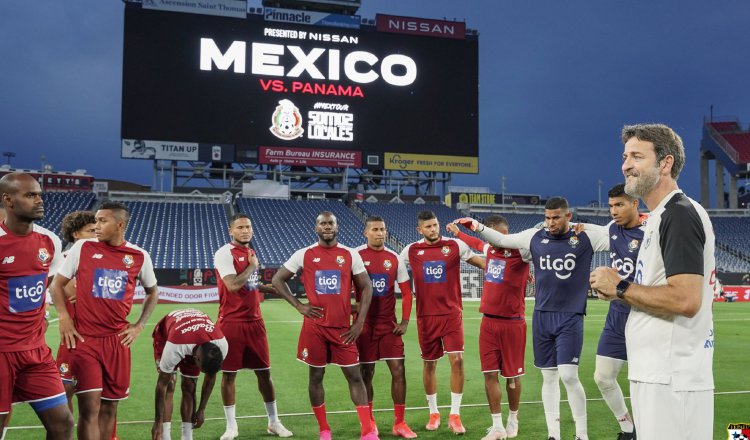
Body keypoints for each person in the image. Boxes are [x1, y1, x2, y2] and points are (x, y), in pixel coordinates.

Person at [590, 123, 715, 440]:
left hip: (673, 380)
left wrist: (620, 287)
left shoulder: (679, 214)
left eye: (637, 156)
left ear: (666, 163)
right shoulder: (659, 217)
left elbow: (686, 300)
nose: (626, 165)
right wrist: (620, 293)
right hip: (656, 375)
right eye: (624, 156)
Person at [456, 197, 608, 440]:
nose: (550, 222)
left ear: (568, 217)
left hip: (570, 315)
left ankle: (581, 435)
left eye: (556, 217)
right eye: (547, 218)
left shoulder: (584, 238)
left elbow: (615, 235)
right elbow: (502, 240)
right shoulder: (534, 237)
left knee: (569, 376)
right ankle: (553, 435)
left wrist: (587, 226)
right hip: (542, 316)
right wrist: (475, 225)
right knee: (548, 377)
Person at [49, 201, 160, 440]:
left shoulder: (139, 256)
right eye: (95, 221)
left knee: (110, 407)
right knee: (90, 407)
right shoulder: (83, 248)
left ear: (119, 225)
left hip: (118, 343)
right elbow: (56, 284)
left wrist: (139, 325)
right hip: (85, 340)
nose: (96, 226)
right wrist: (64, 316)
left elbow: (153, 291)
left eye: (102, 221)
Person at [271, 211, 378, 440]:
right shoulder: (304, 254)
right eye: (322, 223)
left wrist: (359, 323)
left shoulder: (350, 254)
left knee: (355, 376)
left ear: (337, 227)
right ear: (316, 228)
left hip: (343, 329)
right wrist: (299, 306)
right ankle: (324, 429)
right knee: (316, 377)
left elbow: (367, 287)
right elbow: (277, 280)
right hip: (315, 329)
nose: (327, 227)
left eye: (330, 223)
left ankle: (367, 431)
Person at [0, 172, 73, 440]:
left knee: (63, 425)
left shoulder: (49, 241)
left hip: (35, 353)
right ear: (8, 200)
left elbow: (49, 283)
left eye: (39, 194)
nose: (40, 200)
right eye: (30, 195)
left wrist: (43, 310)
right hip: (1, 352)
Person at [399, 210, 484, 435]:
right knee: (430, 364)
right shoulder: (411, 250)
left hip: (451, 315)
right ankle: (434, 413)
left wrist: (513, 269)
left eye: (435, 225)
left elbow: (482, 263)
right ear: (420, 230)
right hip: (426, 317)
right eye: (428, 227)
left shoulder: (455, 246)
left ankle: (455, 415)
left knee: (457, 361)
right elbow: (393, 271)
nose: (433, 229)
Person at [446, 215, 531, 440]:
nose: (501, 240)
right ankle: (497, 426)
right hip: (489, 323)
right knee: (489, 374)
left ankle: (513, 418)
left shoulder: (521, 252)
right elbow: (475, 243)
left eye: (505, 235)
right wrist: (458, 234)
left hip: (513, 323)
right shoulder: (490, 251)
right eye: (497, 235)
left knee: (512, 377)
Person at [213, 214, 292, 439]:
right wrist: (251, 266)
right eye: (240, 227)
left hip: (255, 322)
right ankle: (231, 426)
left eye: (248, 227)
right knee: (229, 375)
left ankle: (274, 422)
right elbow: (232, 285)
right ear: (231, 231)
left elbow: (250, 285)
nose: (245, 230)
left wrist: (270, 289)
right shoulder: (224, 253)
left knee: (265, 373)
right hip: (231, 323)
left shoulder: (251, 253)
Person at [583, 184, 645, 440]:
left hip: (645, 314)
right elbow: (595, 231)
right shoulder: (612, 230)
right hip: (617, 315)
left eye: (619, 204)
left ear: (634, 204)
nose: (613, 211)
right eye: (610, 206)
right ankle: (629, 430)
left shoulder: (651, 232)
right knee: (603, 377)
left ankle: (651, 429)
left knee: (645, 382)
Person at [353, 216, 417, 438]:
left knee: (399, 370)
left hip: (388, 326)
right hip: (365, 327)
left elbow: (407, 293)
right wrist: (354, 309)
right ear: (366, 233)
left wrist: (405, 321)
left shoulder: (394, 258)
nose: (380, 233)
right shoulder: (355, 256)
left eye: (383, 229)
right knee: (366, 373)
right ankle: (369, 423)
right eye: (376, 229)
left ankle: (400, 423)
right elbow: (344, 291)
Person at [151, 308, 228, 440]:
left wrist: (202, 409)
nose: (201, 373)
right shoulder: (176, 345)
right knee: (170, 384)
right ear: (197, 359)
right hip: (167, 336)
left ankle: (187, 436)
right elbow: (161, 385)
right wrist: (157, 421)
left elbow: (211, 376)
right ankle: (165, 436)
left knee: (189, 386)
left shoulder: (221, 344)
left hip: (194, 338)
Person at [55, 211, 97, 410]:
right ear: (76, 235)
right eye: (90, 231)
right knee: (64, 389)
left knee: (97, 396)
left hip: (99, 337)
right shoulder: (61, 260)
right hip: (72, 338)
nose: (96, 234)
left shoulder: (104, 259)